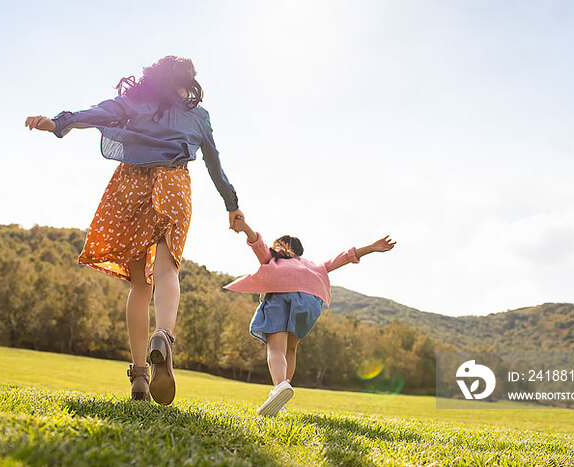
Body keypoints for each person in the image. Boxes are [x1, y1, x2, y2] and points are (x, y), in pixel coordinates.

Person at [25, 56, 243, 405]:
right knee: (168, 266)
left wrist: (59, 122)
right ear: (189, 81)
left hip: (131, 185)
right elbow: (215, 164)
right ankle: (164, 336)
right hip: (173, 182)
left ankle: (139, 376)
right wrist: (232, 206)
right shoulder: (199, 116)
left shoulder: (137, 101)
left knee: (139, 282)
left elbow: (100, 111)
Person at [225, 217, 395, 415]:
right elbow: (342, 258)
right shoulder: (313, 266)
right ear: (300, 252)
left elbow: (257, 242)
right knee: (291, 349)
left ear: (279, 248)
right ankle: (281, 398)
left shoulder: (273, 259)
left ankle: (280, 386)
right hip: (310, 302)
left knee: (275, 347)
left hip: (282, 296)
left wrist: (244, 226)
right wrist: (371, 248)